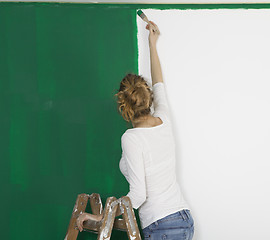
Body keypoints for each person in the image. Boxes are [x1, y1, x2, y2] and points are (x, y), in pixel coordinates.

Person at [77, 21, 194, 240]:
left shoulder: (131, 138)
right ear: (148, 97)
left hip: (162, 225)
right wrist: (152, 43)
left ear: (124, 108)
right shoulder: (164, 119)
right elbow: (159, 82)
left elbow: (138, 195)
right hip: (183, 219)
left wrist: (100, 218)